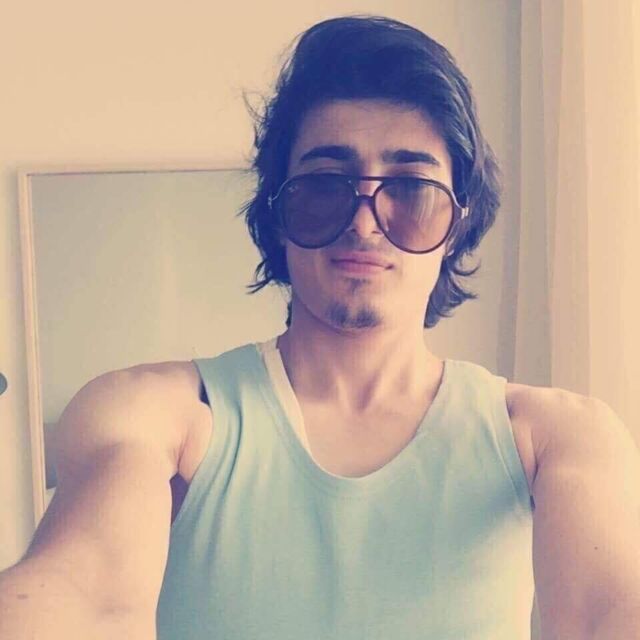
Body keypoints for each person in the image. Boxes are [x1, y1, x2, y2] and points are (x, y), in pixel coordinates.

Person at [2, 14, 640, 640]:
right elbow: (86, 596)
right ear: (277, 214)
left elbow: (608, 611)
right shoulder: (161, 415)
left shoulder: (553, 437)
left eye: (411, 189)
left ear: (457, 226)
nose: (364, 222)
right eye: (326, 185)